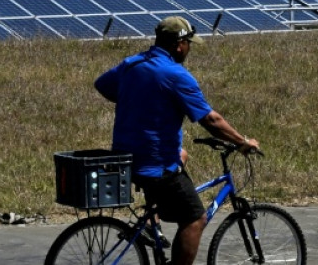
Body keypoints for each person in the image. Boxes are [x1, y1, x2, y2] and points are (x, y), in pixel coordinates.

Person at [94, 16, 259, 265]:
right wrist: (242, 141)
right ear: (179, 44)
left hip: (126, 157)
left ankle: (153, 222)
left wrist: (138, 98)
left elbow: (102, 84)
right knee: (195, 218)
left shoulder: (132, 64)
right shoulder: (176, 75)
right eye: (189, 43)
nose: (190, 49)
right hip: (154, 165)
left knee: (181, 155)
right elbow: (211, 121)